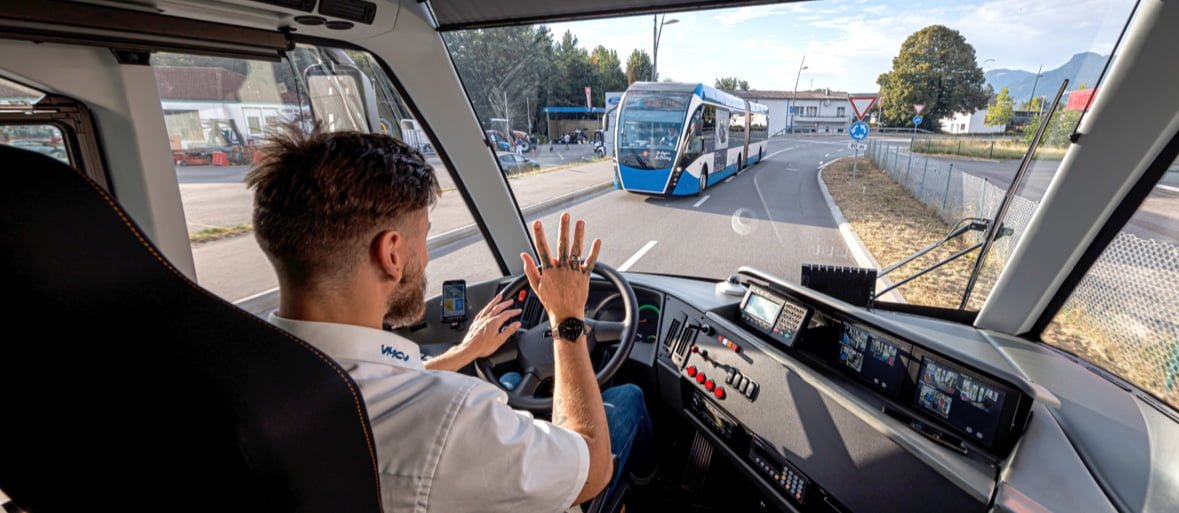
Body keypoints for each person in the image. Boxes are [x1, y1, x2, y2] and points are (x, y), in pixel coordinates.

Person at [246, 124, 651, 513]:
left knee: (510, 384)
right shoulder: (450, 416)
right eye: (423, 237)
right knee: (628, 399)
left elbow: (375, 378)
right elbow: (594, 468)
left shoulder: (252, 371)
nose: (424, 258)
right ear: (391, 253)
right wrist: (566, 319)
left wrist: (464, 352)